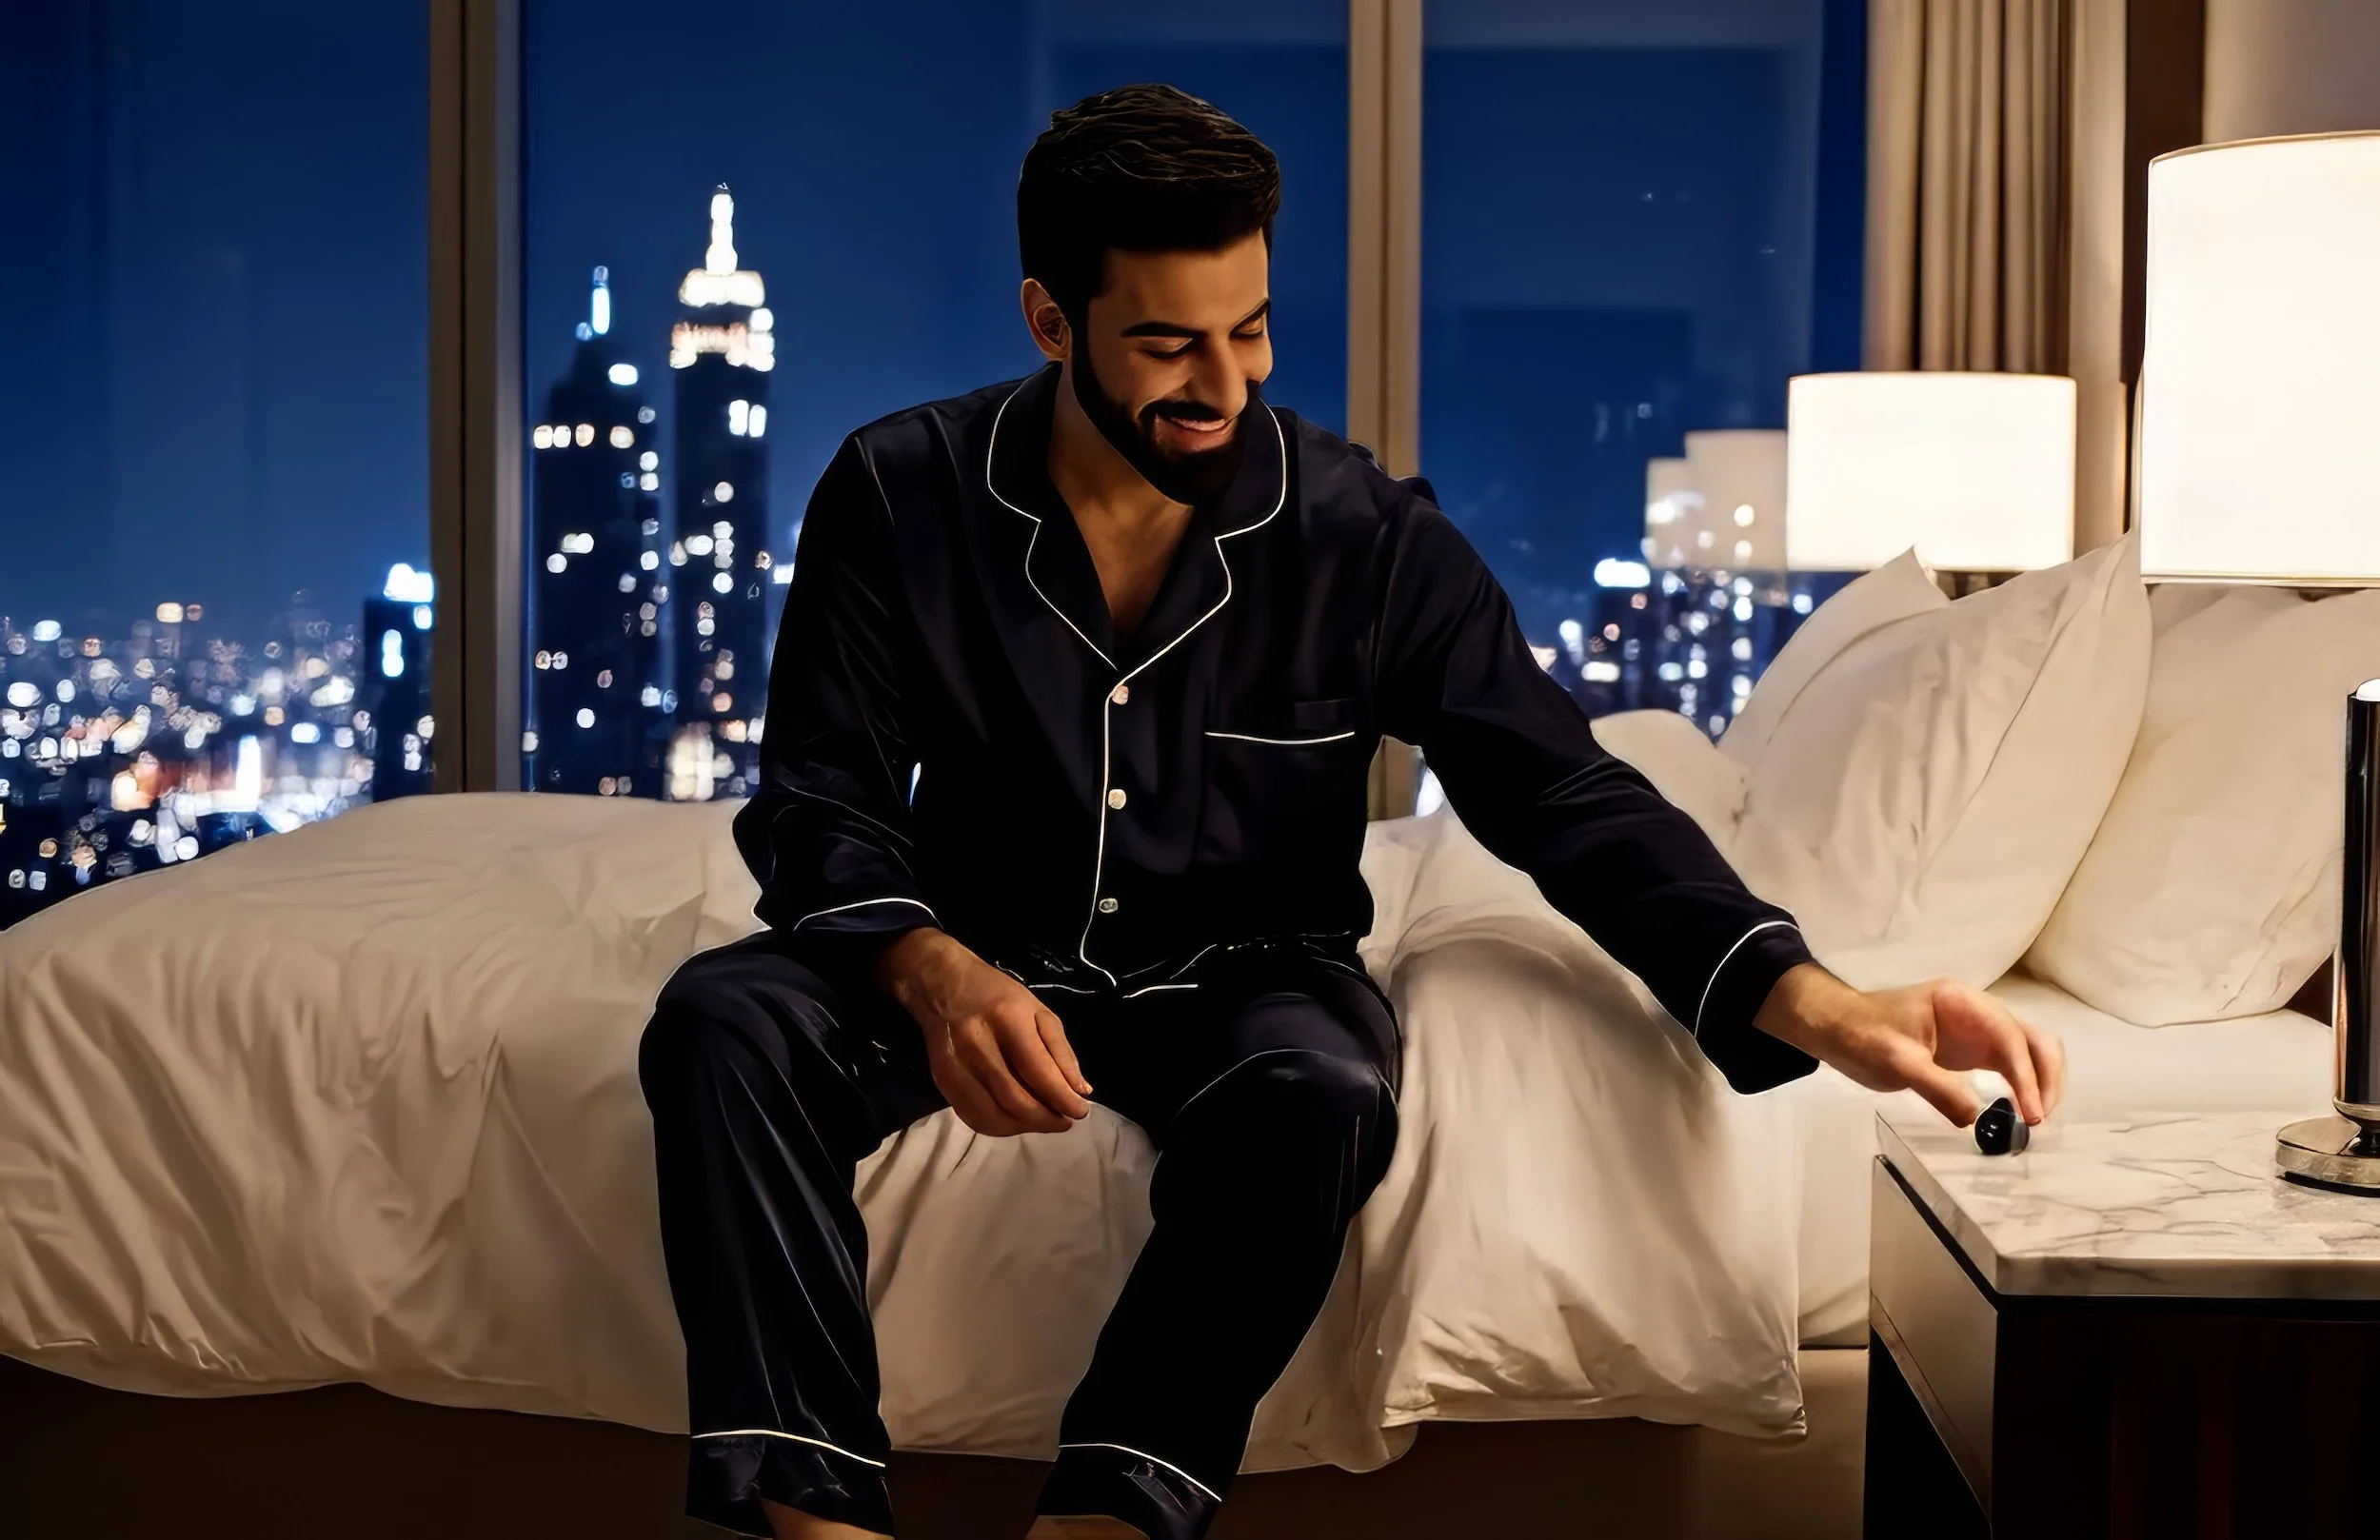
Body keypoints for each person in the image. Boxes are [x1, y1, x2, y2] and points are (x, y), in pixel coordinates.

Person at [637, 82, 2066, 1540]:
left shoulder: (1366, 538)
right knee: (722, 1017)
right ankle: (817, 1513)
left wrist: (1816, 1002)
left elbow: (1560, 788)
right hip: (979, 944)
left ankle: (1114, 1506)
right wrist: (926, 965)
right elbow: (821, 793)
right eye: (1168, 343)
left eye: (1249, 329)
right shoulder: (897, 491)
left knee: (1320, 1093)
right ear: (1051, 322)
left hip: (1255, 980)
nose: (1225, 384)